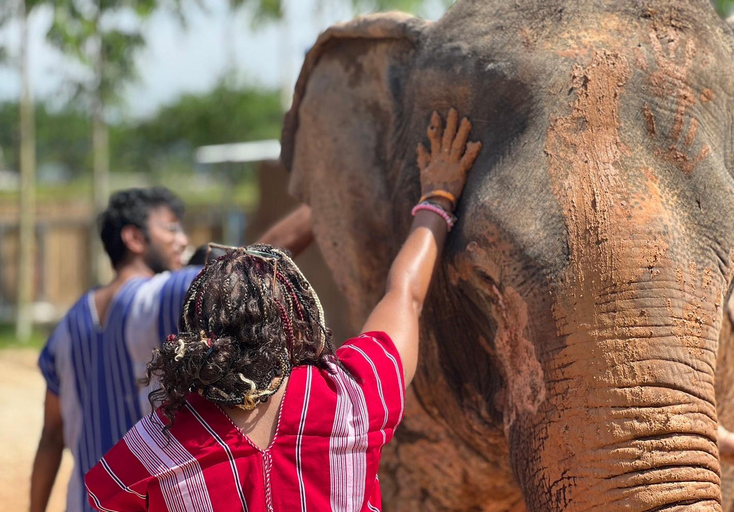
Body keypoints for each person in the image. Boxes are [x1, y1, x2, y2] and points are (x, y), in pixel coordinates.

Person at [84, 108, 481, 511]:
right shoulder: (352, 396)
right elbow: (404, 295)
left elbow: (104, 495)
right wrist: (438, 197)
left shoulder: (158, 445)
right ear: (296, 322)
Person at [30, 187, 313, 512]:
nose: (183, 240)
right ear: (134, 238)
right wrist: (323, 202)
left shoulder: (67, 326)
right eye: (171, 227)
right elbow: (249, 270)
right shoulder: (158, 297)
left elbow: (51, 437)